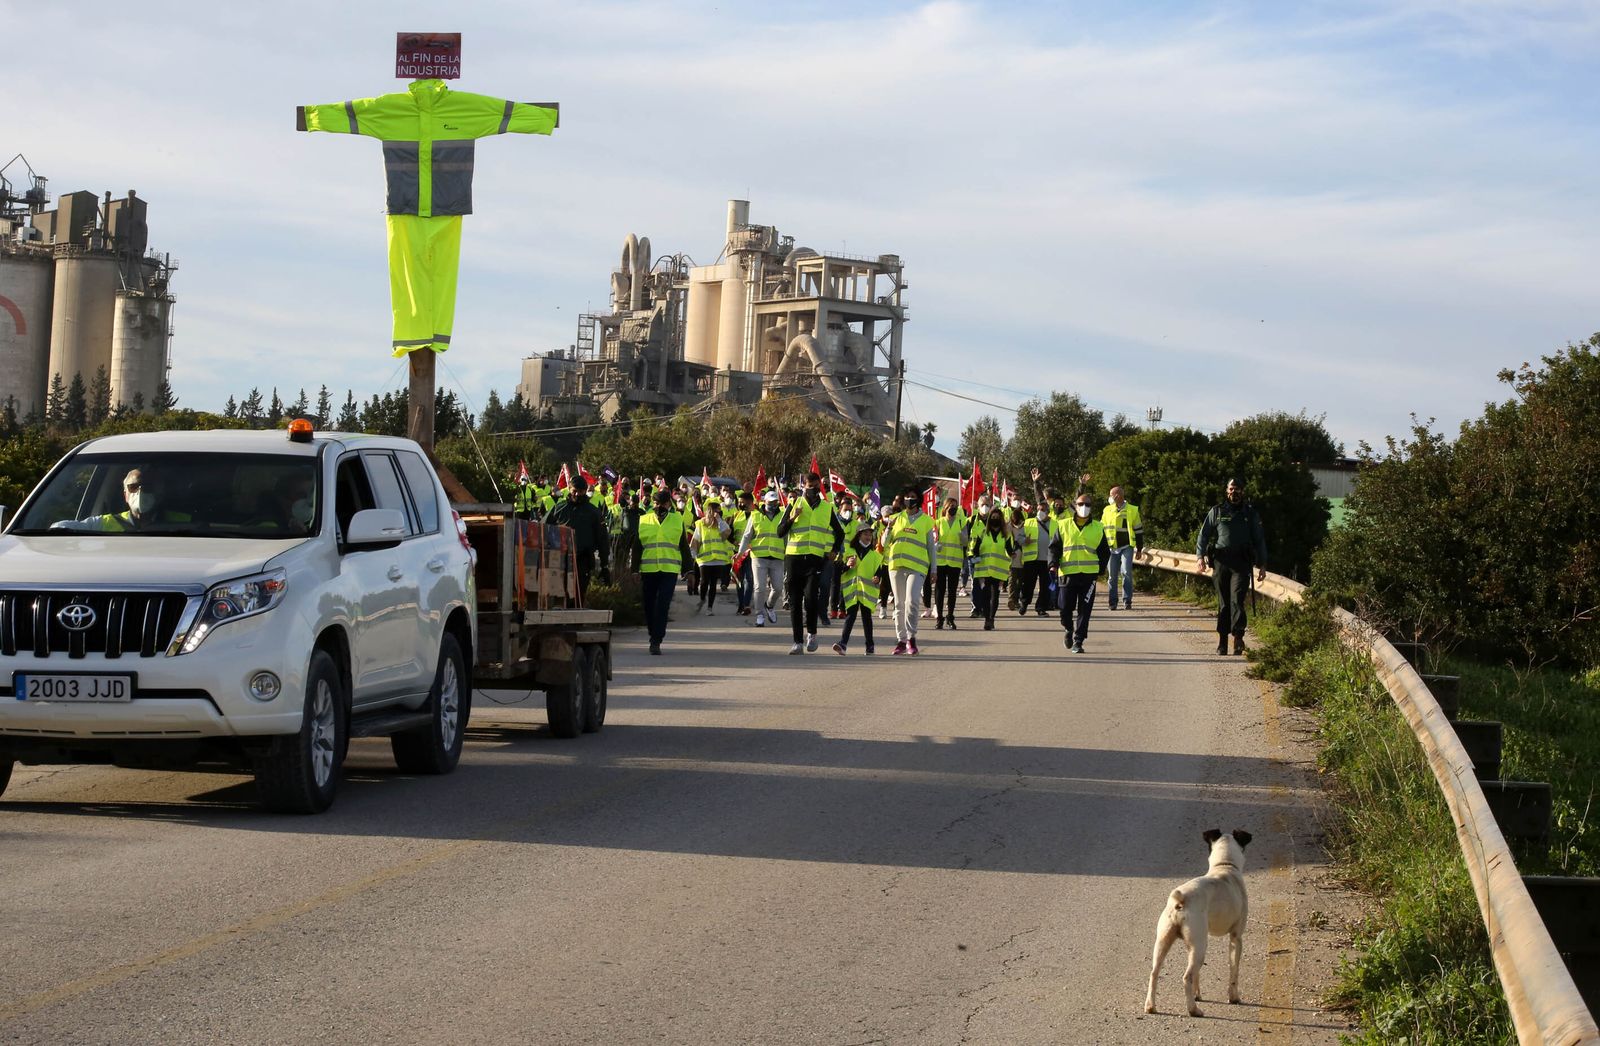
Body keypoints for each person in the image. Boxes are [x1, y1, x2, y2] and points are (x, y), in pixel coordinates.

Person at [1196, 478, 1268, 656]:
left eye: (1237, 489)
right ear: (1226, 490)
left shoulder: (1250, 513)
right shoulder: (1217, 511)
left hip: (1241, 562)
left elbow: (1259, 540)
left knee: (1237, 600)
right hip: (1221, 561)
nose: (1234, 492)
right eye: (1231, 489)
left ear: (1243, 491)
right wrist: (1200, 557)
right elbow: (1203, 535)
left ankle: (1238, 637)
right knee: (1224, 604)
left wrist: (1263, 564)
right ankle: (1222, 641)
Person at [777, 471, 845, 654]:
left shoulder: (827, 508)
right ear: (803, 487)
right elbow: (780, 531)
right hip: (793, 557)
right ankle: (797, 641)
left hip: (815, 559)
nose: (813, 490)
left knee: (810, 598)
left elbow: (840, 533)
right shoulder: (794, 504)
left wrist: (834, 551)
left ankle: (812, 633)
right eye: (809, 486)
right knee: (794, 601)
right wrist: (792, 518)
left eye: (816, 487)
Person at [1052, 492, 1109, 653]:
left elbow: (1104, 551)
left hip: (1088, 575)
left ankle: (1079, 640)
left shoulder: (1098, 527)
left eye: (1088, 505)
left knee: (1085, 609)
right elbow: (1054, 547)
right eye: (1081, 504)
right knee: (1064, 608)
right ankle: (1068, 629)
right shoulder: (1063, 525)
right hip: (1067, 573)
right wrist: (1053, 564)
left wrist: (1101, 569)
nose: (1084, 508)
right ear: (1075, 506)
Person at [636, 488, 689, 655]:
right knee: (649, 605)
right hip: (649, 569)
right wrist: (633, 570)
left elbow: (684, 547)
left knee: (662, 605)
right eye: (656, 503)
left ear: (668, 504)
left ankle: (656, 640)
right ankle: (653, 633)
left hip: (669, 570)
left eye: (662, 503)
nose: (658, 506)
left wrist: (689, 570)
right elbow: (637, 547)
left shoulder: (677, 520)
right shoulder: (644, 520)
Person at [886, 483, 937, 655]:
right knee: (899, 604)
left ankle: (911, 637)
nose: (909, 500)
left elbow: (931, 547)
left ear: (919, 499)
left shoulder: (927, 521)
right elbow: (884, 542)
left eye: (913, 497)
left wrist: (934, 569)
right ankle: (901, 640)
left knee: (912, 601)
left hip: (918, 567)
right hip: (896, 565)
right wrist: (888, 528)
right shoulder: (896, 518)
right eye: (906, 496)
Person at [544, 475, 608, 600]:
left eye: (581, 491)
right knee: (559, 598)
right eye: (575, 491)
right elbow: (543, 530)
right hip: (560, 560)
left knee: (577, 597)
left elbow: (602, 539)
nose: (578, 494)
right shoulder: (559, 508)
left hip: (583, 560)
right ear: (569, 488)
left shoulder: (593, 512)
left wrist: (604, 565)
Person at [74, 468, 192, 532]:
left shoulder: (185, 522)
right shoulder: (103, 524)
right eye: (133, 487)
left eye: (147, 487)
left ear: (160, 494)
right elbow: (64, 528)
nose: (140, 492)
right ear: (125, 495)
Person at [832, 523, 884, 655]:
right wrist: (847, 565)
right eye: (865, 534)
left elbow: (879, 572)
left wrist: (877, 578)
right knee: (851, 616)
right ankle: (843, 644)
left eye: (870, 534)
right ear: (859, 535)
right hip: (852, 590)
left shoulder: (875, 555)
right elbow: (838, 571)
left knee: (867, 618)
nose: (868, 536)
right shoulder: (848, 552)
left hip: (867, 592)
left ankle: (870, 646)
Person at [738, 490, 788, 627]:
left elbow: (786, 536)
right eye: (770, 502)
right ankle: (759, 614)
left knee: (778, 587)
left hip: (777, 557)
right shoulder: (755, 515)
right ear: (764, 502)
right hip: (759, 556)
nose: (773, 504)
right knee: (759, 587)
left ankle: (769, 605)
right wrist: (740, 552)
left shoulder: (783, 515)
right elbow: (747, 536)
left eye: (775, 502)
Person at [968, 508, 1014, 630]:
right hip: (984, 570)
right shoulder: (983, 533)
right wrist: (974, 555)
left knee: (995, 595)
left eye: (997, 518)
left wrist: (1013, 554)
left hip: (999, 570)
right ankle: (987, 619)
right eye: (993, 517)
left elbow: (1009, 549)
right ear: (989, 520)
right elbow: (976, 549)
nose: (995, 520)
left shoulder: (1006, 535)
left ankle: (991, 618)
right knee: (985, 595)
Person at [1102, 485, 1146, 610]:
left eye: (1111, 495)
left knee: (1126, 573)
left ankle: (1127, 601)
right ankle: (1112, 602)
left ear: (1118, 496)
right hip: (1111, 547)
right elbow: (1101, 529)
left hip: (1126, 546)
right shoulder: (1107, 510)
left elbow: (1138, 530)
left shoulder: (1132, 510)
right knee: (1112, 576)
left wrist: (1139, 548)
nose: (1110, 497)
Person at [689, 499, 734, 615]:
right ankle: (702, 598)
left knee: (713, 584)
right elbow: (695, 540)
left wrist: (719, 520)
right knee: (704, 582)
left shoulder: (721, 524)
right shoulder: (701, 524)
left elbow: (727, 532)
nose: (718, 513)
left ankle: (709, 608)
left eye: (719, 511)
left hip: (718, 559)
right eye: (716, 511)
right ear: (710, 511)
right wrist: (693, 554)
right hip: (704, 559)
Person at [1016, 500, 1058, 616]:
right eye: (1038, 509)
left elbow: (1060, 541)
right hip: (1031, 560)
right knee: (1028, 584)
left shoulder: (1055, 524)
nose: (1040, 512)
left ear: (1048, 512)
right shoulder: (1028, 522)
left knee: (1045, 586)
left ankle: (1041, 608)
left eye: (1043, 510)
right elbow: (1018, 538)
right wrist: (1025, 541)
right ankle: (1024, 604)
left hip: (1048, 560)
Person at [933, 497, 967, 630]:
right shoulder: (938, 522)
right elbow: (933, 539)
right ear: (945, 507)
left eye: (955, 506)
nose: (953, 508)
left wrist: (962, 536)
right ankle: (939, 618)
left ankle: (950, 617)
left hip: (955, 561)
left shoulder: (961, 521)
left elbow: (965, 542)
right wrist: (936, 545)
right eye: (951, 505)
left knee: (952, 591)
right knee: (939, 590)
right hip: (941, 560)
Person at [729, 490, 756, 616]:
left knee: (749, 579)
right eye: (739, 502)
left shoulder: (757, 515)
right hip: (738, 553)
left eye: (742, 502)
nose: (740, 504)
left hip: (751, 552)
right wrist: (734, 541)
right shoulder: (736, 516)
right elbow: (729, 532)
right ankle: (741, 605)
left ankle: (746, 604)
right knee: (739, 580)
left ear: (750, 502)